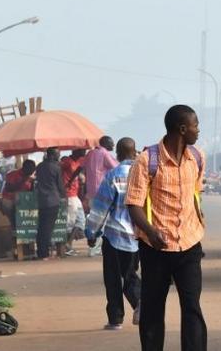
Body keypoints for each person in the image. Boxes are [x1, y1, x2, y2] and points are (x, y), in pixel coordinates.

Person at [125, 105, 207, 351]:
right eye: (195, 125)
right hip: (156, 247)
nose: (198, 130)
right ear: (182, 129)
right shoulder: (146, 160)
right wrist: (150, 231)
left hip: (190, 244)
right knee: (152, 309)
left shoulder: (197, 158)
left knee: (192, 308)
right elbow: (133, 205)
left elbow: (195, 195)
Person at [85, 137, 141, 331]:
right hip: (139, 236)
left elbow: (100, 208)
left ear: (117, 154)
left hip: (115, 235)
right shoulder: (145, 175)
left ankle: (116, 318)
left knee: (113, 278)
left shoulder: (114, 175)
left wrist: (91, 232)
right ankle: (140, 303)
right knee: (130, 273)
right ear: (135, 152)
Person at [83, 136, 119, 256]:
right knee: (103, 221)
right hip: (102, 192)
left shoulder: (90, 154)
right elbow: (116, 168)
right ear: (105, 143)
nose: (113, 146)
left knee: (94, 219)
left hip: (91, 192)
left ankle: (92, 246)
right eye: (111, 143)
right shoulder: (104, 154)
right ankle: (95, 249)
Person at [35, 148, 65, 260]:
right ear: (52, 155)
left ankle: (40, 252)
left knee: (41, 227)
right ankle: (45, 254)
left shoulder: (39, 166)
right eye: (58, 154)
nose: (59, 156)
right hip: (53, 200)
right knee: (48, 228)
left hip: (41, 200)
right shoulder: (56, 168)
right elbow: (60, 185)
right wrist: (64, 196)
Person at [61, 149, 86, 255]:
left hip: (75, 194)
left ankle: (68, 244)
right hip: (68, 194)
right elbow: (59, 170)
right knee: (70, 222)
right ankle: (66, 246)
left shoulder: (78, 162)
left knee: (81, 221)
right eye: (82, 151)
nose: (84, 153)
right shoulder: (67, 161)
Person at [0, 160, 36, 229]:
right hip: (10, 201)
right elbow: (8, 188)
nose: (32, 171)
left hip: (22, 202)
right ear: (25, 167)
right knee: (15, 223)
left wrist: (33, 184)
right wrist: (24, 180)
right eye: (31, 169)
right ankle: (15, 235)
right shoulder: (13, 174)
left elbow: (29, 191)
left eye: (33, 169)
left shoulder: (29, 177)